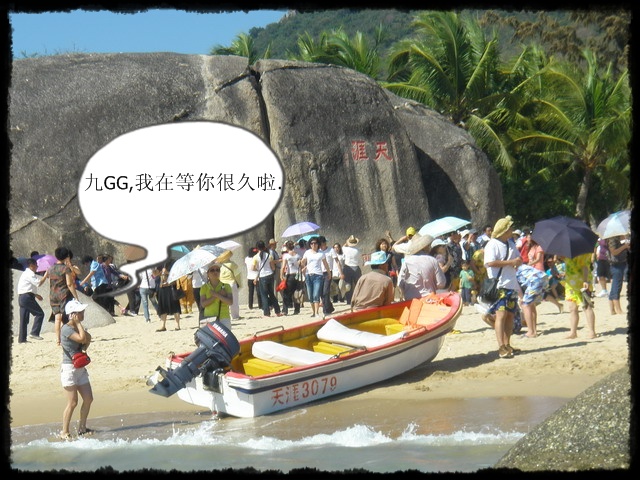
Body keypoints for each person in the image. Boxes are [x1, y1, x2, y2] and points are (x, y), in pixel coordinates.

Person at [483, 215, 523, 359]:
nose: (512, 230)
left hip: (511, 284)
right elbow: (489, 263)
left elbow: (518, 258)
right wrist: (510, 262)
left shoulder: (510, 243)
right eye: (510, 228)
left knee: (510, 315)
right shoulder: (492, 244)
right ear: (504, 230)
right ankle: (501, 346)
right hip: (499, 285)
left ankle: (507, 344)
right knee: (501, 315)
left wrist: (518, 262)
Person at [59, 299, 93, 440]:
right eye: (80, 312)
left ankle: (82, 428)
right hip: (69, 369)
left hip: (80, 368)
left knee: (88, 398)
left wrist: (84, 339)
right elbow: (81, 338)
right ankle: (64, 432)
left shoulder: (77, 327)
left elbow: (88, 338)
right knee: (72, 403)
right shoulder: (66, 329)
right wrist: (79, 324)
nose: (82, 314)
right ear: (72, 314)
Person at [47, 247, 81, 345]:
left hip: (53, 295)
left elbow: (50, 282)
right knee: (67, 318)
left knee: (57, 318)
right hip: (64, 295)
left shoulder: (50, 268)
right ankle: (68, 337)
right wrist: (76, 297)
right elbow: (69, 284)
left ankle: (58, 340)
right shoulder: (65, 269)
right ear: (66, 256)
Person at [398, 233, 446, 300]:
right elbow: (441, 283)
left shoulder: (406, 262)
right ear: (425, 246)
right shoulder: (432, 260)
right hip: (429, 299)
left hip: (411, 301)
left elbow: (400, 284)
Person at [561, 253, 597, 339]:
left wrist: (585, 280)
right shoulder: (567, 252)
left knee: (587, 307)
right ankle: (573, 332)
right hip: (570, 284)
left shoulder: (584, 253)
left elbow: (585, 267)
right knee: (572, 308)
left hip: (582, 282)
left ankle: (592, 332)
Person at [16, 257, 46, 342]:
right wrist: (45, 276)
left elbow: (26, 287)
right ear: (32, 265)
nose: (37, 267)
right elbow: (38, 283)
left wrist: (36, 295)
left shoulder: (25, 273)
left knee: (24, 319)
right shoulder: (30, 273)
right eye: (36, 265)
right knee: (40, 314)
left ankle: (22, 339)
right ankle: (34, 333)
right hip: (27, 298)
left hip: (22, 297)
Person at [516, 263, 549, 338]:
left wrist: (521, 298)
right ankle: (534, 330)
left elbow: (517, 287)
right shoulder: (519, 265)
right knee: (531, 305)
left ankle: (531, 332)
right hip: (543, 277)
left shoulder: (510, 272)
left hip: (535, 280)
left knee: (525, 305)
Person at [300, 236, 330, 318]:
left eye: (315, 243)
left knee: (316, 294)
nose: (313, 245)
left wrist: (329, 273)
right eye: (312, 243)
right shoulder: (307, 252)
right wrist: (302, 263)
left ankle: (316, 312)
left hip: (318, 275)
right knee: (310, 296)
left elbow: (325, 263)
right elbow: (303, 263)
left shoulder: (321, 253)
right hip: (308, 275)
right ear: (310, 244)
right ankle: (313, 312)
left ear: (318, 244)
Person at [200, 263, 233, 330]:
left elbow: (230, 302)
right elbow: (203, 304)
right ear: (208, 273)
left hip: (224, 317)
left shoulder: (226, 286)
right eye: (212, 270)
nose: (215, 272)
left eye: (217, 270)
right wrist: (217, 295)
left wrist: (216, 295)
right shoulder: (204, 288)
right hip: (209, 317)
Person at [253, 240, 282, 317]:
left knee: (264, 295)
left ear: (257, 248)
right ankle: (277, 311)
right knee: (271, 294)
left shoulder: (255, 257)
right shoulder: (269, 256)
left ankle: (266, 313)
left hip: (262, 276)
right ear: (264, 247)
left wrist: (259, 269)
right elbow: (273, 267)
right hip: (270, 275)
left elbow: (253, 268)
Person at [155, 262, 182, 331]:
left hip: (171, 287)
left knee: (175, 306)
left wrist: (167, 272)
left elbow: (177, 274)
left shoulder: (173, 263)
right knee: (163, 306)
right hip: (162, 287)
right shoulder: (159, 264)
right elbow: (155, 275)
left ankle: (177, 325)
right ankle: (163, 325)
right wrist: (158, 272)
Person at [607, 235, 630, 315]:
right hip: (616, 264)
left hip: (621, 263)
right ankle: (618, 309)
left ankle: (612, 310)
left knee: (615, 286)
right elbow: (614, 252)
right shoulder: (612, 239)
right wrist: (624, 246)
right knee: (617, 286)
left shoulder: (621, 238)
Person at [218, 251, 242, 321]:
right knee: (234, 301)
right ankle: (235, 316)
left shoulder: (220, 265)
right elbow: (237, 275)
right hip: (231, 283)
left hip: (222, 284)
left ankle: (222, 316)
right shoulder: (232, 264)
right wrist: (239, 284)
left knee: (223, 301)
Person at [281, 240, 302, 315]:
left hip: (290, 275)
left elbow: (283, 267)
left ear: (287, 247)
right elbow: (301, 265)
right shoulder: (298, 255)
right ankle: (297, 309)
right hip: (297, 275)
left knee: (286, 293)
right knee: (296, 293)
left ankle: (285, 310)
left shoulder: (286, 256)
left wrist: (281, 276)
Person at [342, 235, 363, 304]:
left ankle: (349, 300)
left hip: (347, 267)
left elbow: (343, 246)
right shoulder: (358, 250)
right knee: (358, 285)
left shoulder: (345, 249)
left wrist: (346, 243)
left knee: (348, 285)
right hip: (356, 267)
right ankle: (359, 299)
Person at [318, 236, 335, 317]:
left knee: (326, 291)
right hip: (319, 273)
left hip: (328, 272)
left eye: (323, 244)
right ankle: (329, 307)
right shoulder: (318, 251)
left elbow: (337, 261)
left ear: (325, 243)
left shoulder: (331, 250)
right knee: (321, 292)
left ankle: (325, 310)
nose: (322, 246)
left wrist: (339, 272)